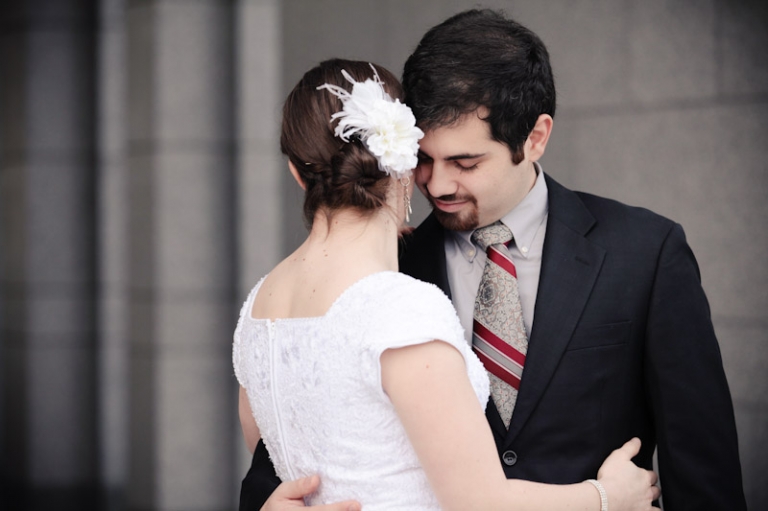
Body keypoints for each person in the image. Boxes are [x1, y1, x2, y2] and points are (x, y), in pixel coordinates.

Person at [240, 9, 746, 511]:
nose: (437, 185)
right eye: (423, 160)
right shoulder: (379, 279)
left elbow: (703, 467)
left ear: (536, 137)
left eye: (465, 163)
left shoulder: (646, 253)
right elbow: (287, 448)